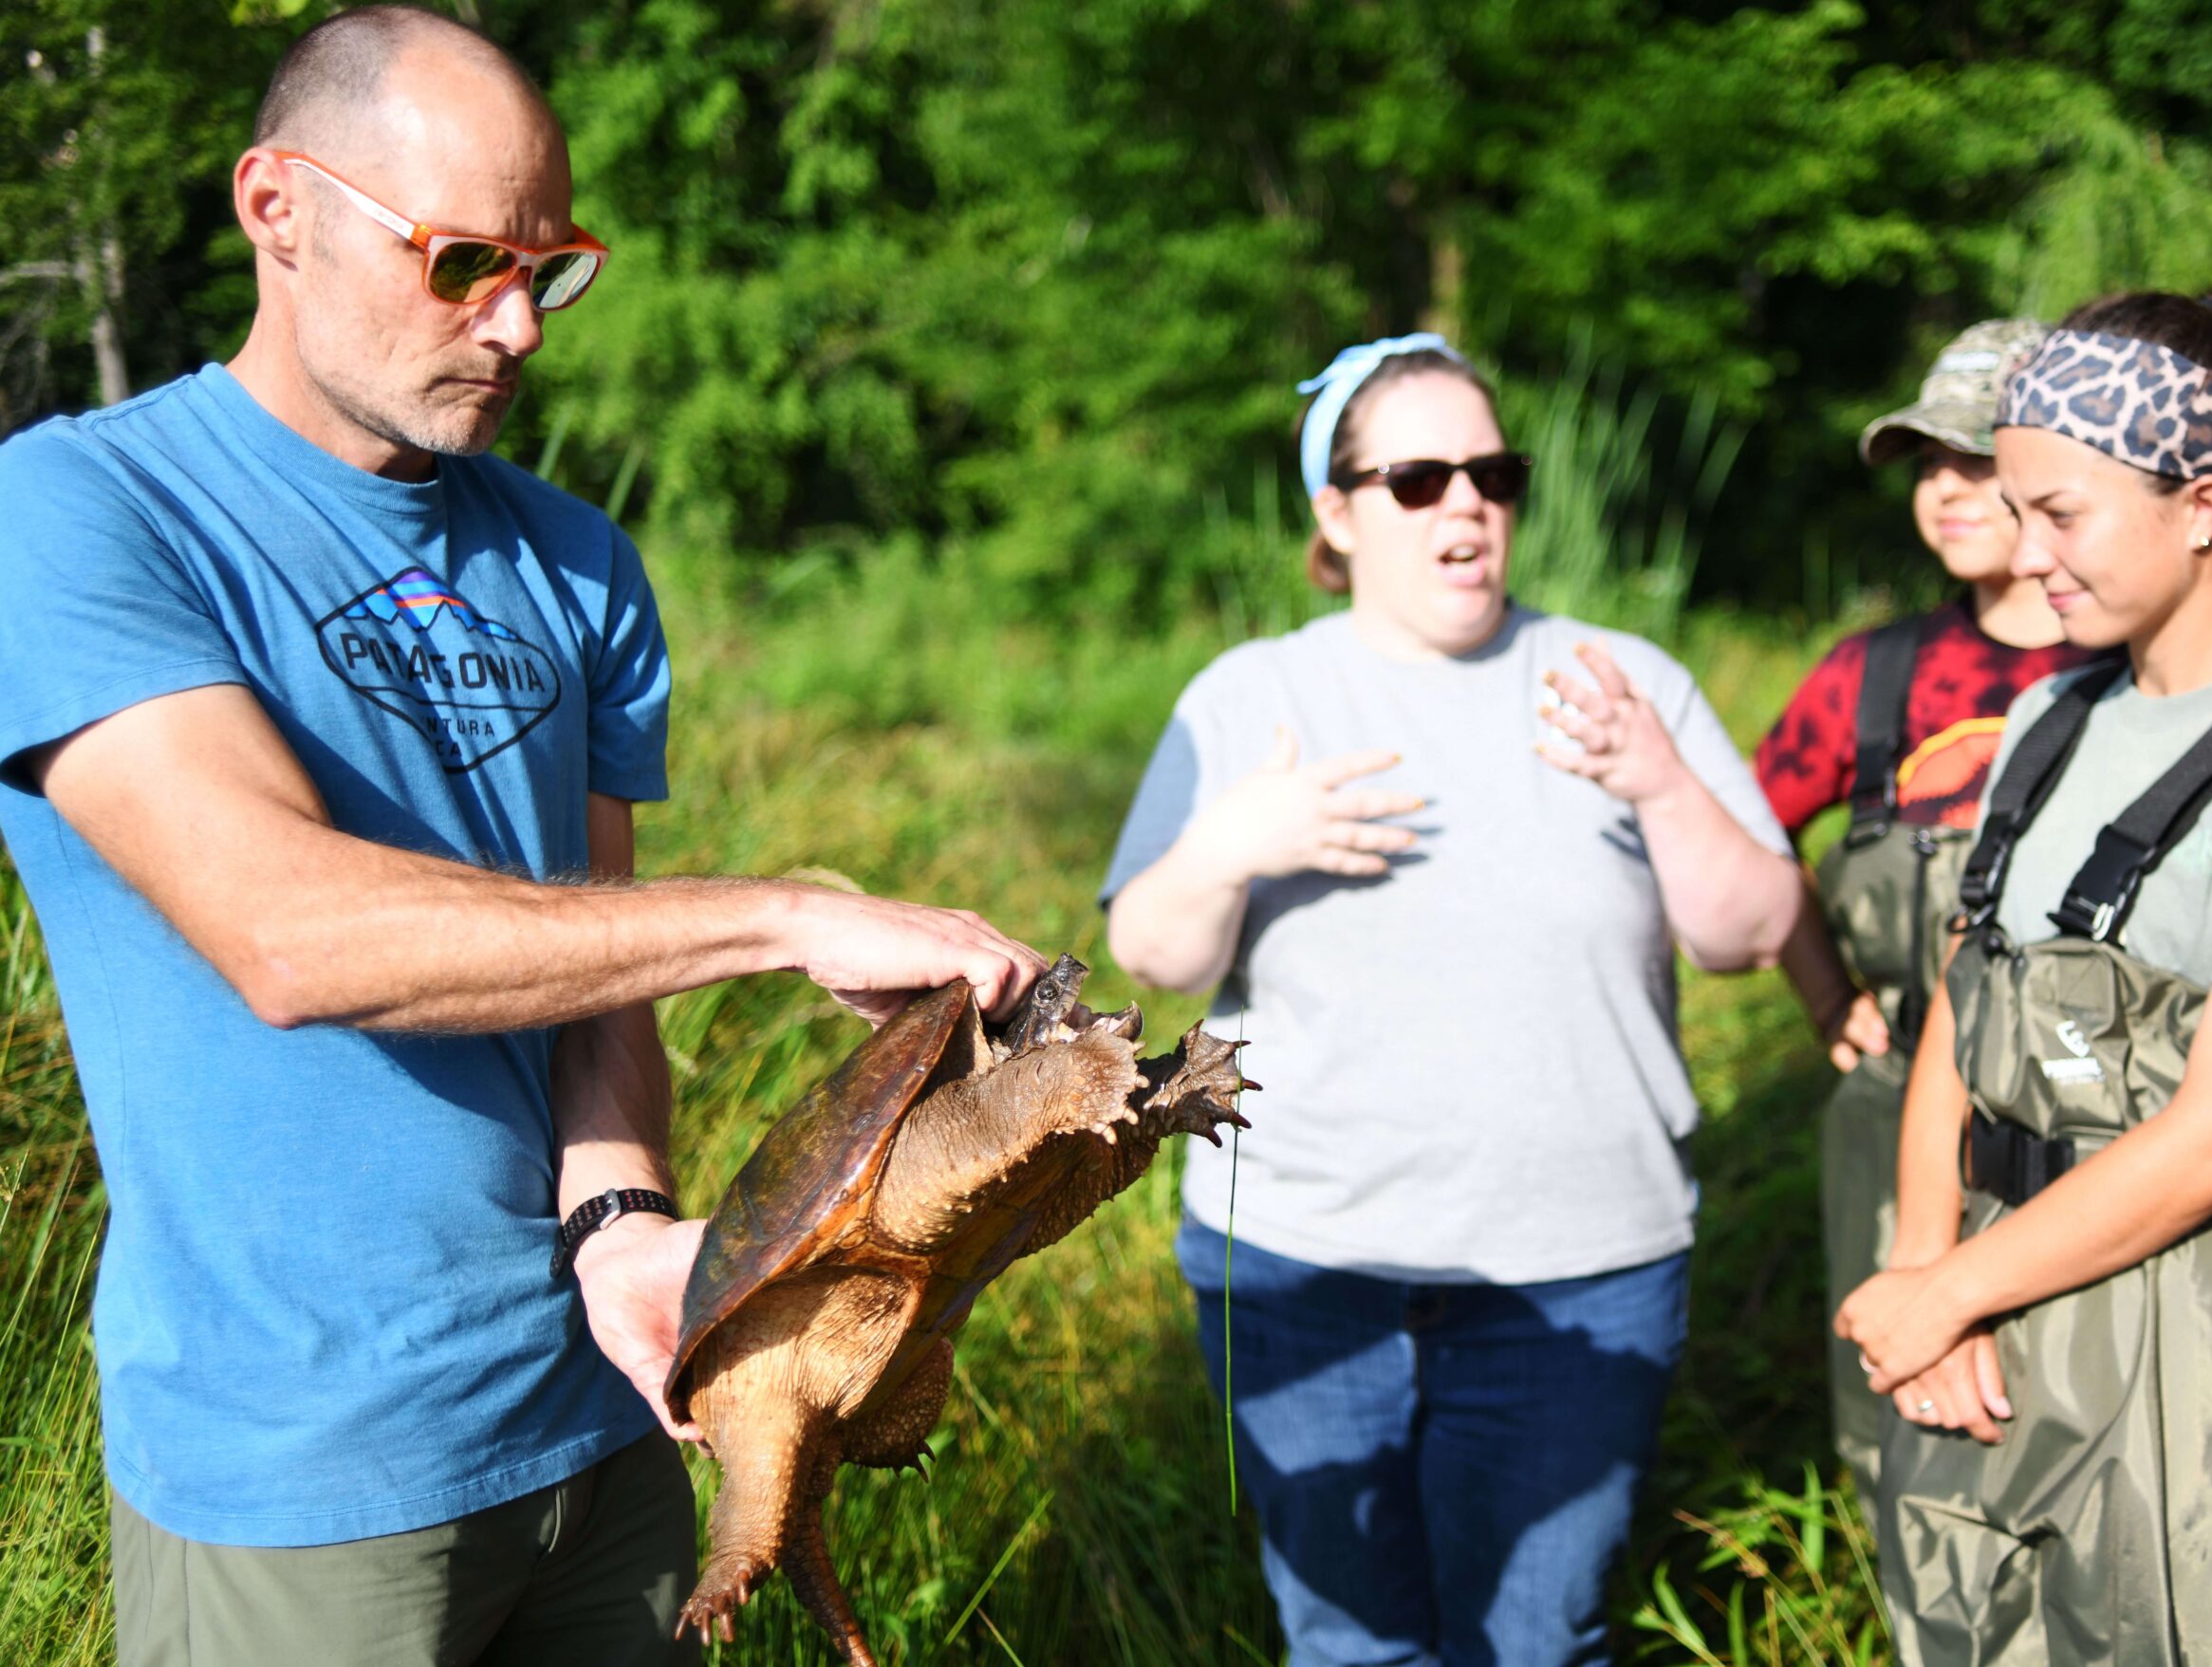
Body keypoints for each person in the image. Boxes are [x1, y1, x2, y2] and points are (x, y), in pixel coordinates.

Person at [0, 10, 1043, 1665]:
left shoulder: (573, 562)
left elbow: (597, 980)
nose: (516, 327)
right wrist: (786, 916)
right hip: (307, 1470)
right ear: (277, 205)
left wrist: (623, 1228)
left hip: (605, 1417)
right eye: (465, 261)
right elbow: (288, 933)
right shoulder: (79, 510)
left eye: (549, 271)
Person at [1100, 333, 1804, 1667]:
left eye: (1494, 472)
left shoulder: (1624, 680)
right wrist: (1233, 841)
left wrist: (1660, 781)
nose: (1467, 502)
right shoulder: (1256, 693)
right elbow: (1158, 952)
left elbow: (1751, 933)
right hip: (1308, 1268)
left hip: (1580, 1274)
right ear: (1338, 513)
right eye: (1419, 477)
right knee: (1352, 1648)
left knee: (1540, 1643)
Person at [1834, 284, 2212, 1664]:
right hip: (1976, 1326)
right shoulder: (2046, 711)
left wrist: (1955, 1291)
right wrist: (1928, 1263)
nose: (2024, 556)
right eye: (2013, 508)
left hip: (2177, 1361)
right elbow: (1960, 1015)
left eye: (2060, 514)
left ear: (2203, 506)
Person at [1752, 318, 2102, 1507]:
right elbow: (1745, 836)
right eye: (1927, 463)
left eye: (1976, 458)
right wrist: (1822, 993)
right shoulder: (1876, 675)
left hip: (2108, 1122)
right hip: (1895, 1099)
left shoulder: (2136, 668)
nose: (1948, 489)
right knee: (1902, 1427)